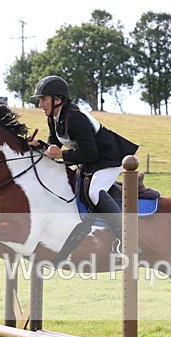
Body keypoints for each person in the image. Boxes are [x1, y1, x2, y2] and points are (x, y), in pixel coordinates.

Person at [28, 75, 138, 252]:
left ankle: (126, 239)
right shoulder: (53, 118)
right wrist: (39, 146)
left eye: (43, 99)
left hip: (110, 158)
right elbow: (53, 146)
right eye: (40, 100)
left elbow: (90, 152)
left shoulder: (76, 118)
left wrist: (62, 154)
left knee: (95, 192)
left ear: (58, 99)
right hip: (92, 161)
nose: (40, 105)